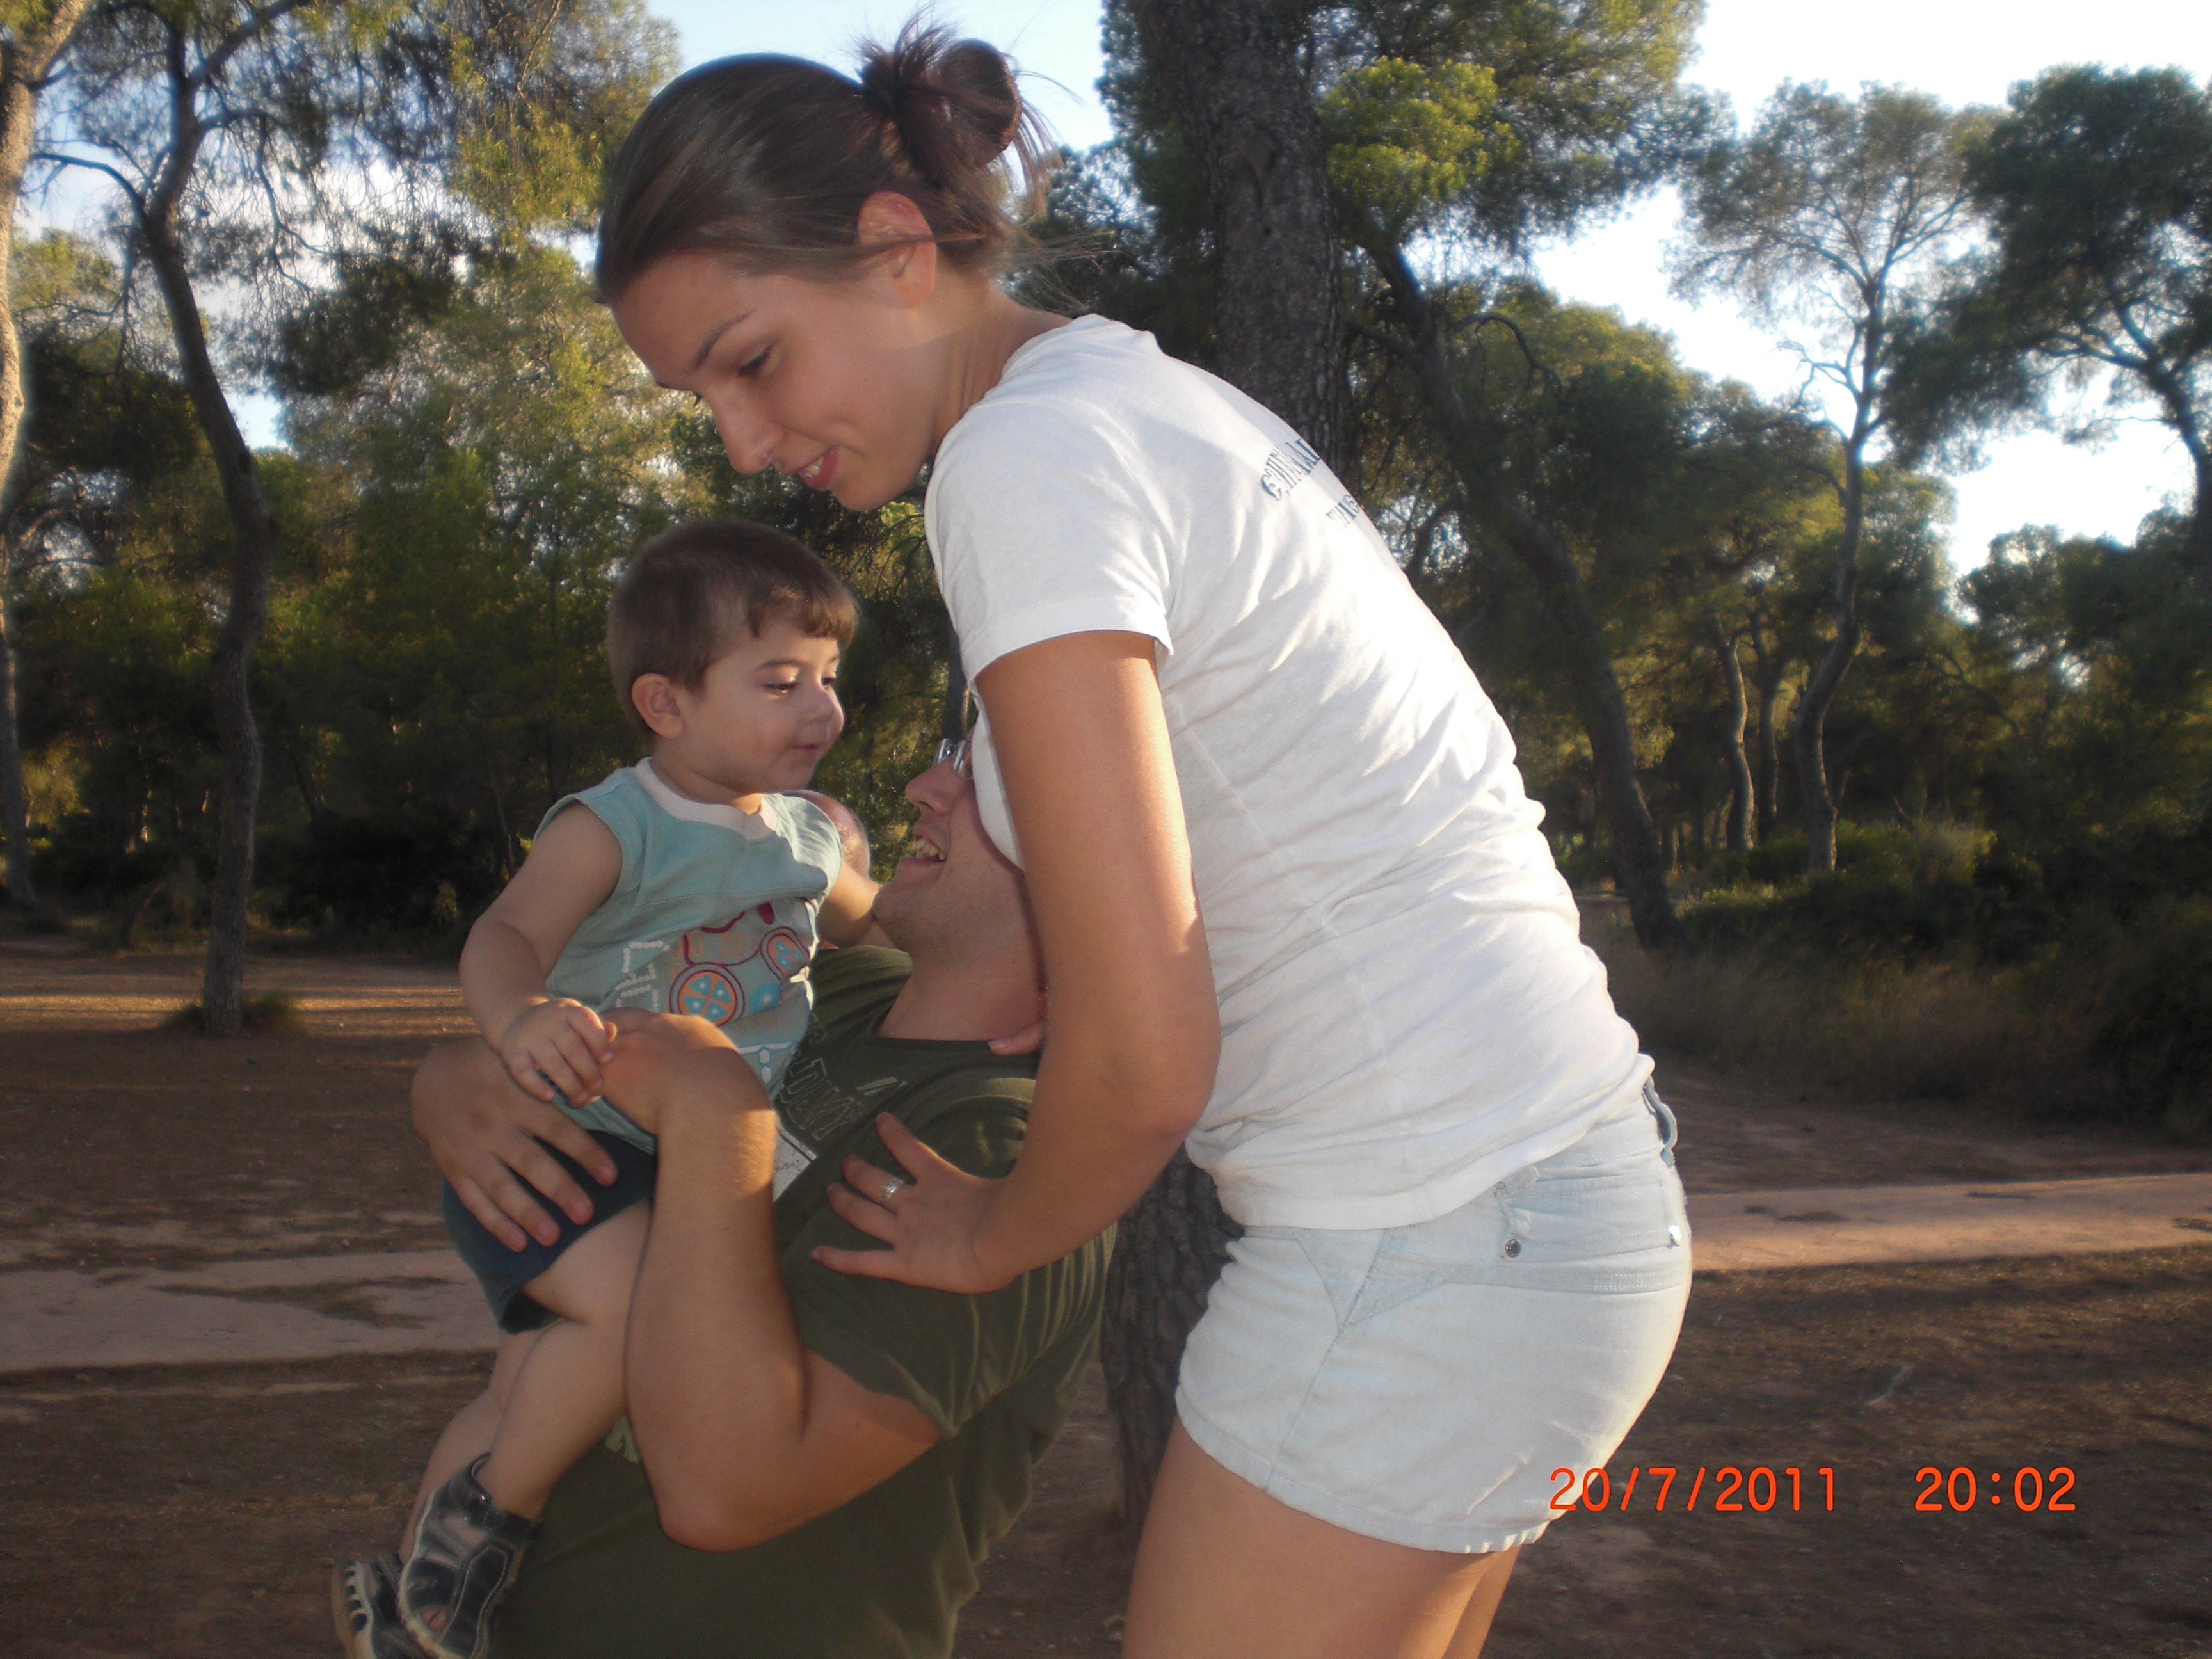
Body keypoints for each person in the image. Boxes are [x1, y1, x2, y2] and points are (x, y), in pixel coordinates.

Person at [585, 20, 1693, 1658]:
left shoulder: (1023, 461)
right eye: (702, 398)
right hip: (1541, 1196)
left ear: (895, 252)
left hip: (1428, 1229)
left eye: (749, 361)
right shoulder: (1134, 399)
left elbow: (1147, 1050)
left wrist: (995, 1231)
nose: (742, 443)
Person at [366, 749, 1105, 1659]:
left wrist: (716, 1114)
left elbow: (726, 1497)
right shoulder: (819, 993)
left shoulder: (1010, 1160)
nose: (924, 785)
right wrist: (455, 1079)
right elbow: (563, 1035)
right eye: (955, 757)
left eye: (990, 776)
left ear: (1097, 876)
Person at [360, 520, 883, 1659]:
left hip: (688, 1165)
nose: (822, 709)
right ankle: (488, 1525)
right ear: (666, 703)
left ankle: (403, 1607)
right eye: (781, 681)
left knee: (523, 1381)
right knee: (634, 1311)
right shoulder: (619, 824)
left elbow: (886, 930)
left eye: (829, 677)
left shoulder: (806, 838)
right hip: (560, 1145)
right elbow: (505, 936)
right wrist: (519, 1018)